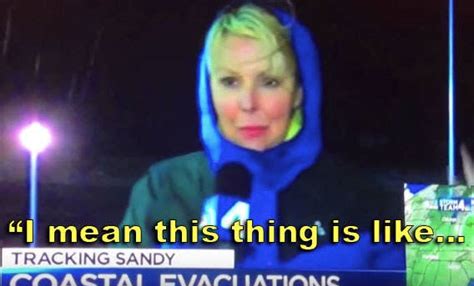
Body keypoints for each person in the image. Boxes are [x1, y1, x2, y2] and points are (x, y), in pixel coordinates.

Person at [118, 2, 407, 270]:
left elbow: (430, 280)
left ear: (299, 92)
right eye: (230, 82)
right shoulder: (165, 187)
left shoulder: (361, 196)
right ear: (208, 90)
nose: (248, 103)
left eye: (269, 82)